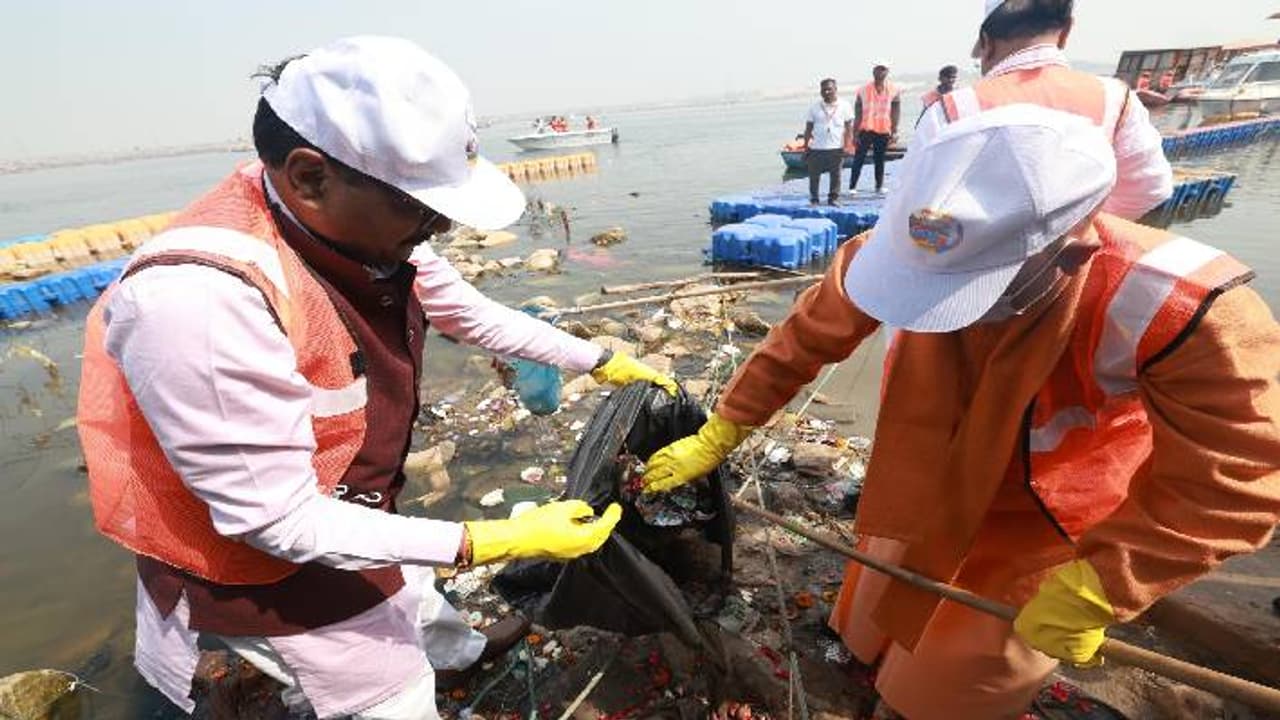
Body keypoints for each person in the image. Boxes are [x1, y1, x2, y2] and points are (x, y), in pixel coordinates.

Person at [78, 36, 678, 720]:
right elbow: (277, 520)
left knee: (412, 583)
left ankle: (460, 654)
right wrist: (487, 541)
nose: (441, 224)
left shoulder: (359, 229)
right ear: (310, 177)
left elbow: (468, 312)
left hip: (353, 501)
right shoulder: (200, 300)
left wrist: (597, 360)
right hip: (260, 561)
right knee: (390, 693)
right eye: (420, 205)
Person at [639, 105, 1280, 719]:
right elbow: (804, 337)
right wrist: (726, 425)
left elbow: (1236, 478)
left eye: (964, 291)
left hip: (1042, 518)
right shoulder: (910, 242)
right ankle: (868, 666)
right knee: (872, 612)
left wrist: (1107, 583)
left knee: (956, 676)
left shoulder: (1180, 307)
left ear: (1070, 252)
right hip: (921, 473)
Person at [929, 0, 1172, 220]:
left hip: (985, 253)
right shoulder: (1116, 98)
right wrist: (1078, 226)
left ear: (986, 42)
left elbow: (924, 207)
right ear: (1066, 31)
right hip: (1081, 249)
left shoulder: (952, 108)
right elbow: (1150, 191)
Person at [848, 62, 900, 195]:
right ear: (873, 71)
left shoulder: (894, 89)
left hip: (883, 129)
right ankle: (852, 187)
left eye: (883, 69)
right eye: (878, 69)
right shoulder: (863, 90)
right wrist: (855, 133)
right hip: (866, 128)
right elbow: (858, 112)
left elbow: (896, 111)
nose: (880, 72)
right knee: (859, 158)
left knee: (880, 159)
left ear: (887, 72)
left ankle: (879, 186)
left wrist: (895, 130)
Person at [802, 78, 854, 206]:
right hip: (816, 148)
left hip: (836, 147)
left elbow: (849, 128)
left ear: (835, 89)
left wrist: (848, 145)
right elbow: (808, 128)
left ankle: (833, 199)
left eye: (829, 89)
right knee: (814, 176)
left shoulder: (845, 105)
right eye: (824, 89)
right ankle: (814, 199)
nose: (826, 92)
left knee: (836, 175)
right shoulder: (814, 107)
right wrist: (806, 147)